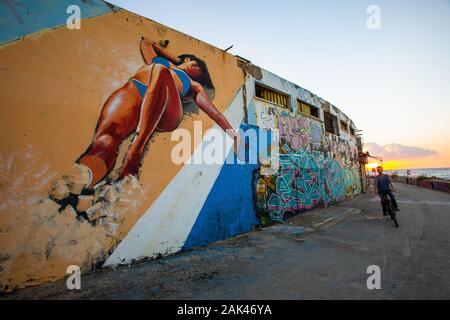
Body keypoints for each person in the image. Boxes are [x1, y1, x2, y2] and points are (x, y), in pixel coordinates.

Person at [71, 37, 242, 192]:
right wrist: (176, 59)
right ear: (187, 59)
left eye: (201, 70)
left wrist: (234, 136)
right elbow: (146, 42)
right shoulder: (157, 62)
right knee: (106, 138)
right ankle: (83, 181)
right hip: (135, 92)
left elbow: (216, 115)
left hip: (167, 108)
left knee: (161, 70)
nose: (199, 68)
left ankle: (135, 151)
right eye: (196, 63)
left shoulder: (194, 85)